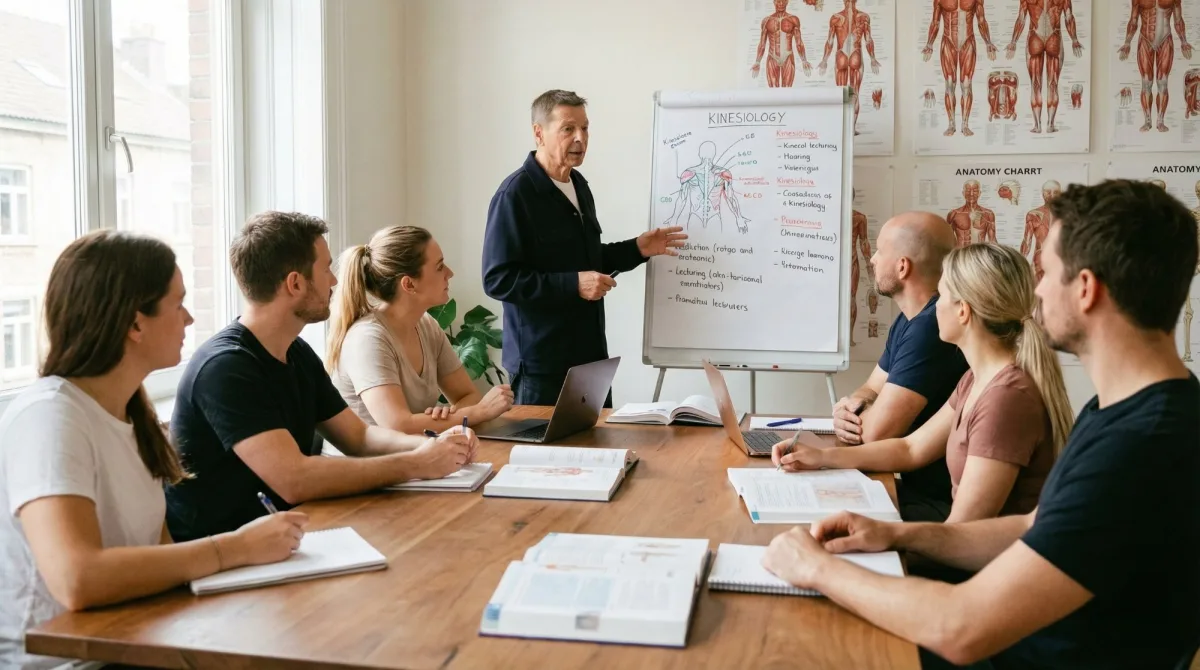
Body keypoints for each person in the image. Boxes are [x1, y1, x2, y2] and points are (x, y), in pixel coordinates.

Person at [762, 180, 1200, 669]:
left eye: (1046, 272)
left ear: (1085, 289)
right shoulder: (1127, 411)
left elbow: (961, 628)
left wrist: (816, 569)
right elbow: (1033, 526)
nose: (1036, 289)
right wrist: (895, 535)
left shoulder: (1142, 446)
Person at [0, 231, 304, 670]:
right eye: (178, 303)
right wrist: (234, 548)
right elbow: (76, 578)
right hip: (65, 662)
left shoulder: (132, 415)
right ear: (135, 324)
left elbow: (158, 557)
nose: (189, 319)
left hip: (132, 642)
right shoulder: (50, 416)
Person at [166, 212, 476, 543]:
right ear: (295, 284)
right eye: (326, 269)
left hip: (286, 537)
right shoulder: (225, 369)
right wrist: (415, 463)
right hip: (222, 555)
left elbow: (359, 438)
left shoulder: (295, 352)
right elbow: (294, 479)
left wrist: (431, 446)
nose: (334, 281)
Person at [776, 243, 1072, 526]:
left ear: (963, 311)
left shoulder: (1006, 398)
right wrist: (822, 457)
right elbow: (910, 449)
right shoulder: (975, 379)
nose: (933, 306)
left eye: (940, 295)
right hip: (958, 533)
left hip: (978, 551)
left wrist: (879, 533)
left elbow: (965, 530)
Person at [482, 89, 687, 406]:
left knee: (602, 440)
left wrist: (638, 248)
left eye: (585, 128)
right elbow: (498, 279)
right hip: (542, 368)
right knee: (544, 442)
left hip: (591, 361)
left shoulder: (578, 185)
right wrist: (573, 284)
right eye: (568, 128)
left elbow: (586, 260)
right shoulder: (514, 195)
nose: (580, 138)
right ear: (539, 133)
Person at [832, 211, 968, 521]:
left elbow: (876, 434)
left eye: (880, 251)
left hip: (939, 504)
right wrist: (852, 407)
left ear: (902, 266)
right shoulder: (908, 321)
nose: (872, 259)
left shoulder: (929, 328)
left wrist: (855, 417)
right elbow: (871, 387)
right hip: (919, 491)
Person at [327, 225, 514, 433]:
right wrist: (480, 412)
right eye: (439, 267)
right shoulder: (367, 339)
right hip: (370, 456)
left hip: (416, 451)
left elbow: (467, 396)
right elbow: (398, 425)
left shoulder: (426, 324)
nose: (450, 273)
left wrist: (447, 417)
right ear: (409, 284)